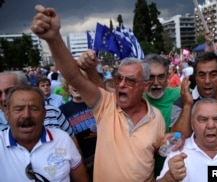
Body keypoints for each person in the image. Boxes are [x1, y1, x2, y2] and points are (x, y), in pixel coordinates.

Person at [31, 6, 173, 181]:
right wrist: (54, 39)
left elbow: (156, 149)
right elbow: (75, 77)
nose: (121, 84)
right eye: (119, 78)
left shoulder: (156, 117)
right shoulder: (105, 104)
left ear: (145, 86)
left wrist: (167, 144)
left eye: (129, 80)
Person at [0, 86, 89, 181]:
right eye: (18, 109)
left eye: (34, 108)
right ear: (7, 115)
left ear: (44, 114)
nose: (26, 115)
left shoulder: (62, 138)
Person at [157, 98, 217, 182]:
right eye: (203, 119)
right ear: (192, 124)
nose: (211, 125)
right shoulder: (177, 152)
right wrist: (169, 178)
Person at [143, 54, 181, 177]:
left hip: (177, 171)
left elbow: (205, 90)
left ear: (167, 77)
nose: (156, 83)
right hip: (146, 173)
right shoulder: (135, 99)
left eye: (161, 77)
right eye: (150, 77)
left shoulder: (180, 94)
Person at [60, 69, 97, 181]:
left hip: (105, 155)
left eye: (78, 82)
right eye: (71, 83)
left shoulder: (96, 102)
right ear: (67, 86)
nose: (75, 86)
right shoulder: (63, 110)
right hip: (84, 161)